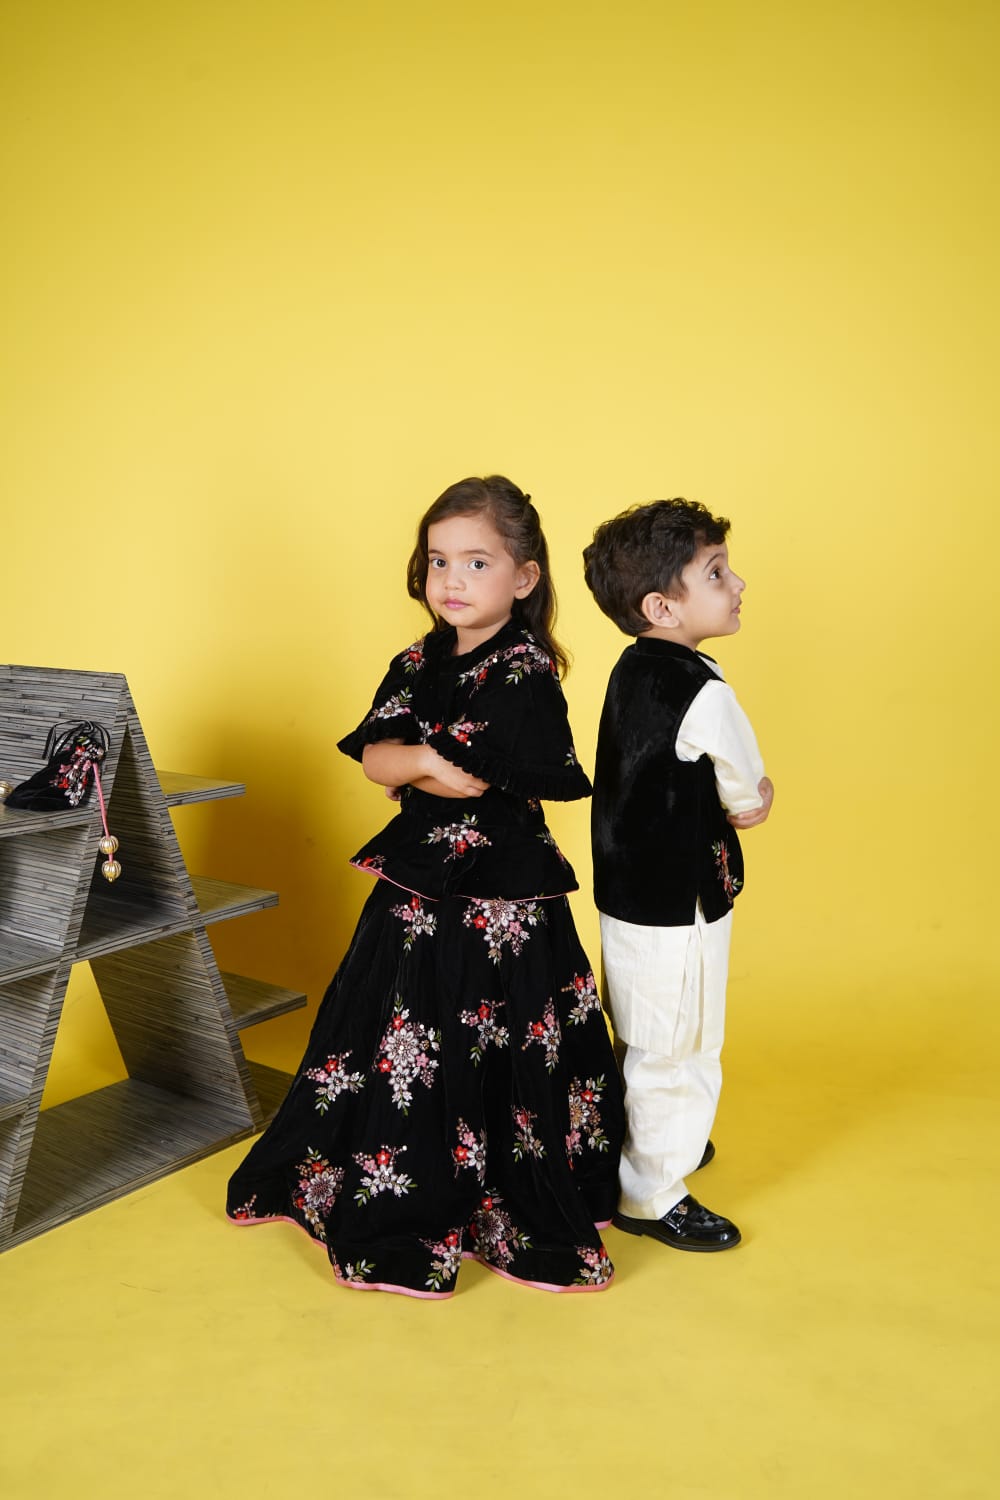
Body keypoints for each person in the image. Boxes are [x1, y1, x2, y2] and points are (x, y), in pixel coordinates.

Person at [227, 475, 624, 1296]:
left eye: (477, 562)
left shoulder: (524, 670)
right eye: (439, 560)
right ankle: (403, 1171)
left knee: (498, 1028)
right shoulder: (415, 662)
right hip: (418, 887)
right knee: (405, 1021)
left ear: (524, 577)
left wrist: (423, 763)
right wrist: (418, 761)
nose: (453, 580)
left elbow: (473, 779)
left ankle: (502, 1180)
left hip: (501, 897)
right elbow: (376, 757)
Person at [582, 498, 772, 1252]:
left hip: (627, 894)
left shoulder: (633, 670)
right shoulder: (704, 690)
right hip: (678, 903)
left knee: (641, 1027)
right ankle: (653, 1189)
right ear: (662, 607)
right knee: (682, 1042)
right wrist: (754, 798)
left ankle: (653, 1142)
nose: (738, 583)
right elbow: (747, 794)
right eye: (717, 573)